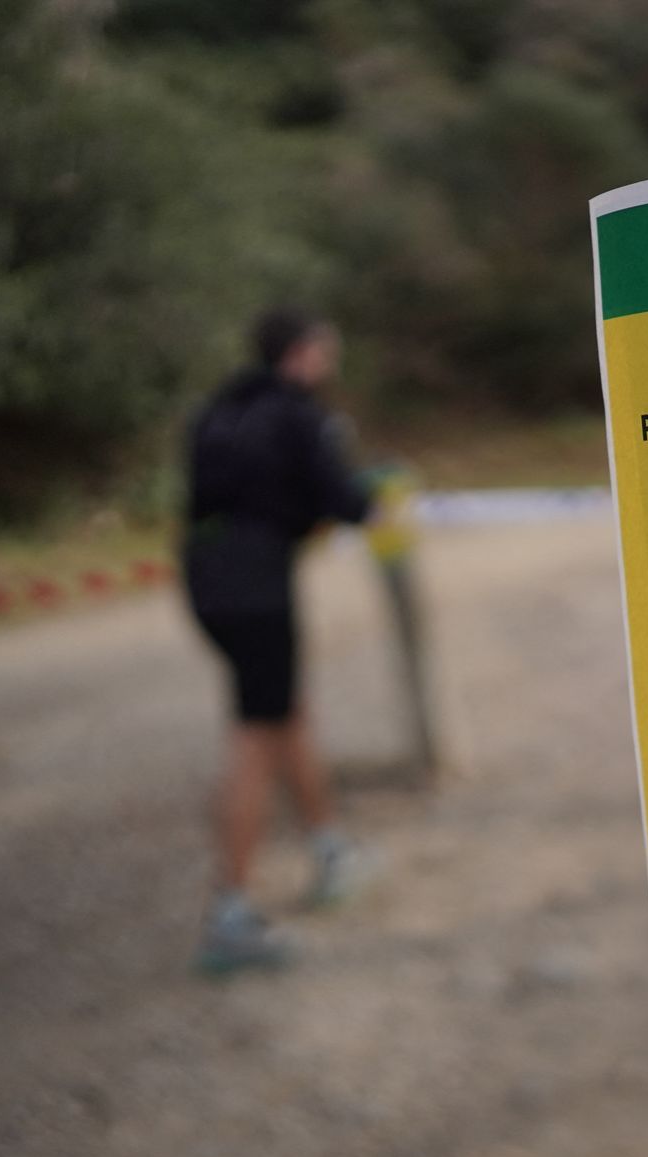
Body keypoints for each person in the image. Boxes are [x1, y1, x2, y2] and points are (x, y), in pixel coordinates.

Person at [182, 307, 379, 973]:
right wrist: (373, 495)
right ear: (300, 354)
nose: (330, 364)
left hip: (208, 579)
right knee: (256, 735)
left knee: (285, 710)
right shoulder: (299, 413)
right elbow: (344, 499)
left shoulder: (220, 407)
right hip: (257, 585)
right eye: (326, 352)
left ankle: (329, 849)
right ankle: (230, 915)